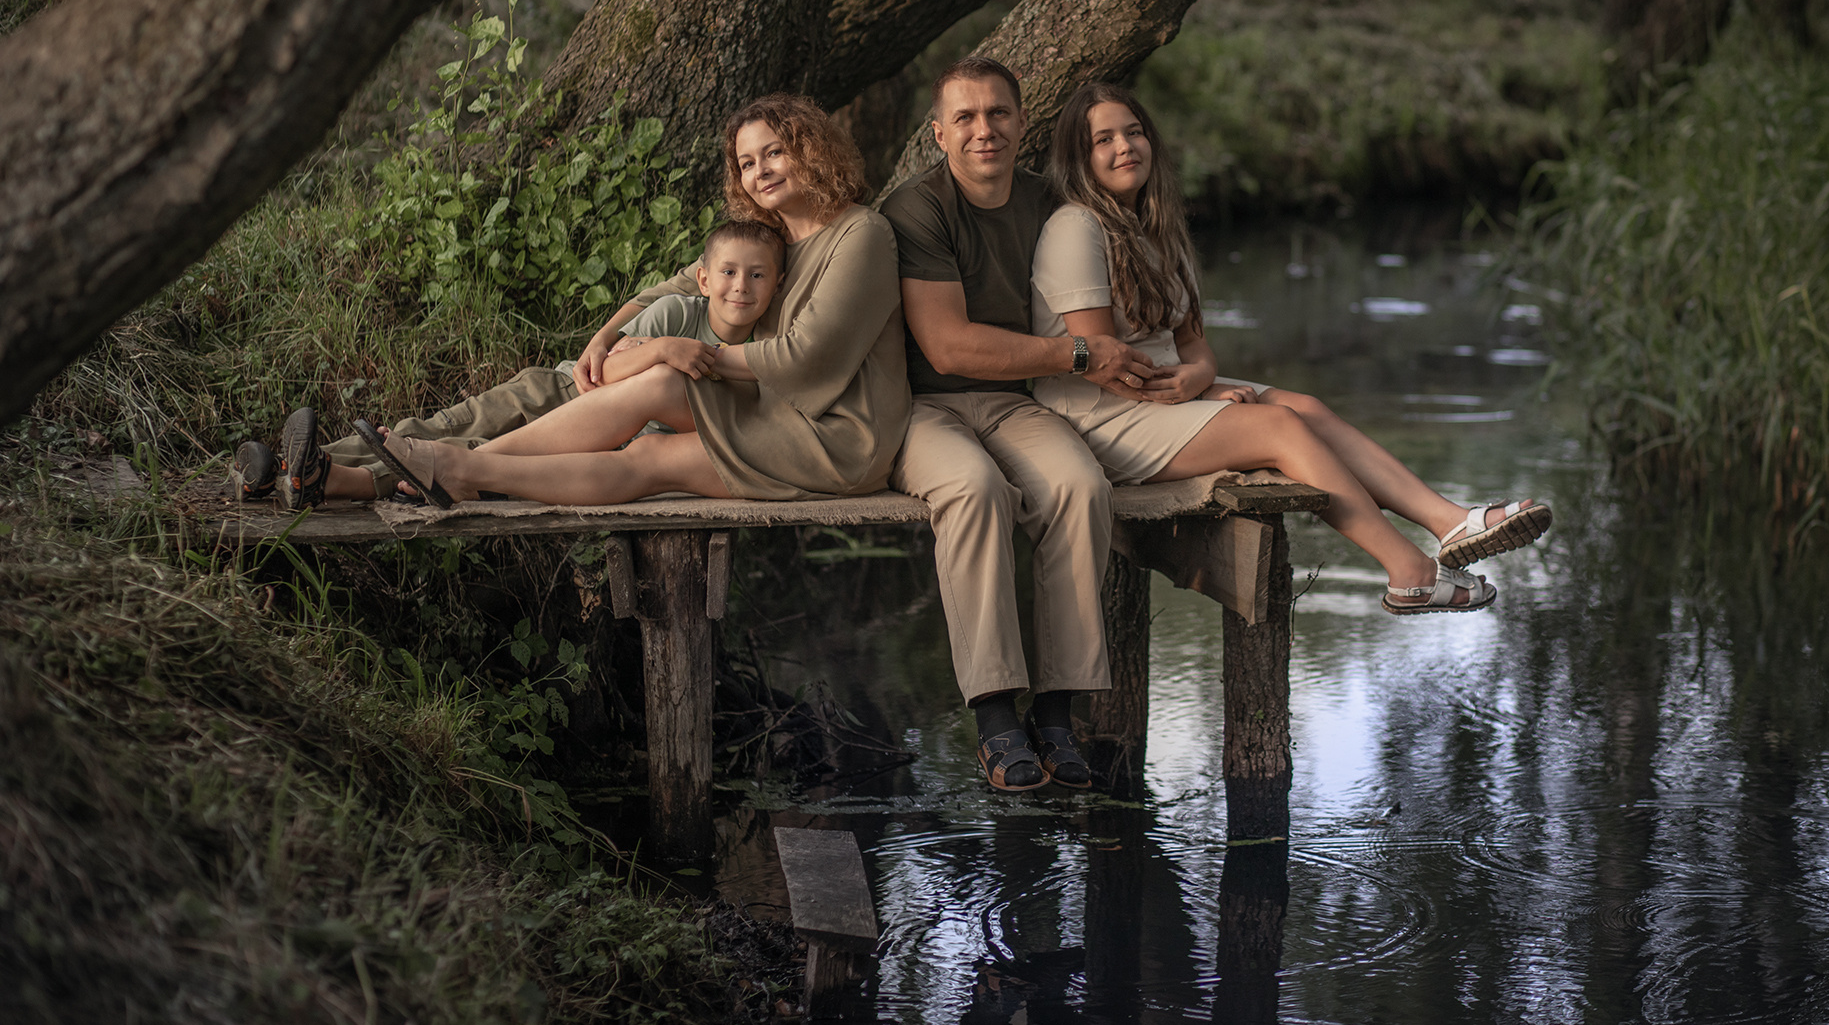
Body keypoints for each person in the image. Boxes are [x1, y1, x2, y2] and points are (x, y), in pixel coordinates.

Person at [1031, 81, 1551, 613]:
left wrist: (1201, 379)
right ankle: (1410, 572)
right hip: (1101, 417)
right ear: (1080, 159)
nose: (1125, 146)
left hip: (1164, 394)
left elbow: (1194, 345)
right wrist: (1200, 397)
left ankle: (1449, 522)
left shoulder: (1157, 226)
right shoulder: (1076, 228)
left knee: (1306, 409)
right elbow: (1105, 366)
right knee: (1281, 428)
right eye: (1104, 139)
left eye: (1134, 131)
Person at [352, 93, 909, 507]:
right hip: (770, 413)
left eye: (774, 153)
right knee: (660, 386)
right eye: (746, 163)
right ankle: (455, 468)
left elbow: (807, 356)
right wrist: (607, 336)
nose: (759, 171)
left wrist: (684, 355)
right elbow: (678, 284)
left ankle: (460, 468)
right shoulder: (772, 238)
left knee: (649, 457)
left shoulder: (861, 235)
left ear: (810, 150)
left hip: (837, 440)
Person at [879, 57, 1157, 795]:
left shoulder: (1050, 202)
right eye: (965, 118)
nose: (983, 130)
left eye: (997, 113)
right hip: (920, 405)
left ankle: (1058, 711)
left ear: (1021, 123)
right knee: (973, 489)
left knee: (1078, 483)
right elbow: (947, 345)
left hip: (1014, 400)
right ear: (939, 133)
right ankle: (997, 717)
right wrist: (1075, 352)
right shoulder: (919, 209)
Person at [243, 218, 787, 508]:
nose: (741, 286)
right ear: (704, 277)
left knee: (462, 452)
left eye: (757, 276)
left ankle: (326, 479)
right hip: (560, 388)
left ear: (777, 283)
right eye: (730, 273)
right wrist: (662, 348)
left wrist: (647, 357)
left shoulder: (766, 349)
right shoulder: (675, 310)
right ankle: (292, 468)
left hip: (595, 427)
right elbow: (600, 374)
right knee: (447, 425)